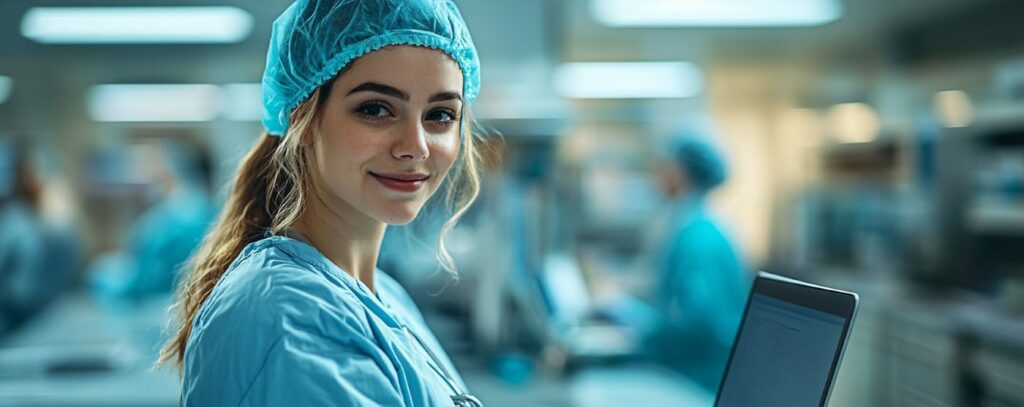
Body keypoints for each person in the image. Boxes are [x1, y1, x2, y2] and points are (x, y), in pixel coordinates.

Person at [159, 0, 484, 406]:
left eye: (440, 115)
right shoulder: (291, 318)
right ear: (302, 119)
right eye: (376, 109)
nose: (416, 147)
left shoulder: (381, 294)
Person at [645, 134, 750, 393]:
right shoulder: (691, 224)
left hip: (699, 379)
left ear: (680, 171)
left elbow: (700, 321)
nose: (657, 174)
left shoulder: (700, 237)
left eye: (664, 165)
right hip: (690, 373)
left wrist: (644, 335)